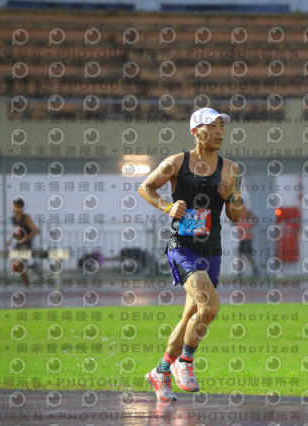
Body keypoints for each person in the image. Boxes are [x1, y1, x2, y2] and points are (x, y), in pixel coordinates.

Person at [138, 107, 243, 402]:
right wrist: (167, 206)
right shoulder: (176, 162)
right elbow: (145, 187)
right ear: (196, 131)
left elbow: (236, 215)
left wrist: (231, 197)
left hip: (212, 250)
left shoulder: (230, 169)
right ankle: (185, 361)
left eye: (222, 126)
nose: (220, 131)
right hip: (182, 247)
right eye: (213, 126)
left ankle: (160, 372)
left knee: (190, 316)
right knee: (210, 306)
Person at [4, 197, 40, 286]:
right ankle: (29, 273)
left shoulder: (26, 217)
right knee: (14, 266)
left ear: (19, 207)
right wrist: (9, 241)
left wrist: (26, 238)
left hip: (26, 245)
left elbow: (35, 230)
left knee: (18, 264)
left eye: (14, 206)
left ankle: (28, 280)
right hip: (18, 245)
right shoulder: (14, 219)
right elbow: (16, 232)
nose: (12, 208)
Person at [235, 208, 260, 277]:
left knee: (247, 254)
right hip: (242, 238)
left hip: (247, 238)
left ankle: (255, 271)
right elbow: (234, 223)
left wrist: (249, 227)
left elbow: (256, 219)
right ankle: (240, 272)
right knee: (240, 253)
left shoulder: (246, 211)